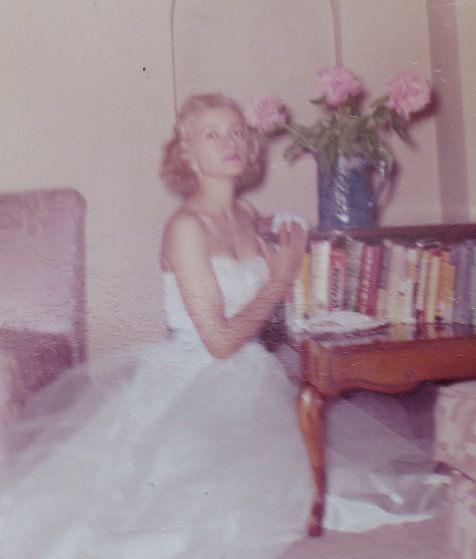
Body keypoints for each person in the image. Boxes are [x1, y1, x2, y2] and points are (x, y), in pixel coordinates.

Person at [0, 93, 448, 559]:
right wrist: (279, 278)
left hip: (252, 370)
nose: (230, 142)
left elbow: (259, 250)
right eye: (212, 134)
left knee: (302, 476)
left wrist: (285, 230)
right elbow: (219, 341)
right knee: (208, 503)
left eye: (237, 132)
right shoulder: (186, 228)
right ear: (188, 152)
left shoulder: (246, 215)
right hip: (196, 377)